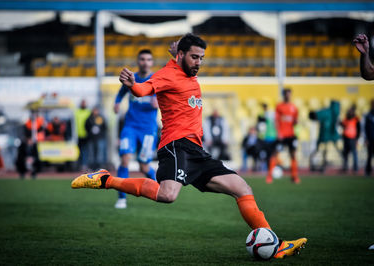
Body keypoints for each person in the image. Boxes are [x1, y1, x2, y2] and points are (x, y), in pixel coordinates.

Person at [71, 33, 307, 259]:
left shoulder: (186, 71)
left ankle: (275, 244)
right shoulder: (166, 74)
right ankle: (106, 180)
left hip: (197, 151)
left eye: (202, 58)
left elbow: (180, 64)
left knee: (242, 188)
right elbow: (145, 89)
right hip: (176, 146)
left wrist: (179, 55)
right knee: (167, 195)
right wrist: (134, 85)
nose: (199, 62)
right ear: (182, 55)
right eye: (195, 57)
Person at [113, 49, 158, 209]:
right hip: (130, 126)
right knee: (125, 159)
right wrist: (117, 102)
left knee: (143, 166)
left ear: (152, 62)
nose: (145, 62)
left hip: (148, 130)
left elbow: (166, 96)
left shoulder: (157, 79)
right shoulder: (133, 78)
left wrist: (159, 101)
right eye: (142, 59)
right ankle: (121, 198)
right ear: (138, 61)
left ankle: (158, 188)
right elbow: (121, 92)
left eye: (148, 59)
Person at [266, 89, 300, 184]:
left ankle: (294, 176)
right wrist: (278, 132)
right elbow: (276, 120)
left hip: (291, 135)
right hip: (282, 135)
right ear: (284, 95)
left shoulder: (294, 107)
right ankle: (269, 175)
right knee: (275, 153)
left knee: (293, 154)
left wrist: (296, 122)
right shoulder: (279, 106)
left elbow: (295, 120)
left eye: (289, 95)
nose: (288, 96)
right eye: (286, 95)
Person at [309, 100, 341, 172]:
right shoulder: (329, 113)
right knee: (322, 150)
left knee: (323, 150)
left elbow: (315, 115)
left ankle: (322, 165)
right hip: (325, 134)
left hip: (328, 133)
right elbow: (315, 115)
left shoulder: (330, 113)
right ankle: (320, 165)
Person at [340, 105, 360, 173]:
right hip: (346, 139)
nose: (349, 112)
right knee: (345, 154)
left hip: (353, 139)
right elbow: (342, 124)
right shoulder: (346, 119)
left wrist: (357, 138)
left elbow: (359, 129)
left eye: (350, 111)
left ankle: (355, 168)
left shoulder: (356, 119)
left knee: (354, 153)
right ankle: (345, 167)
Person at [75, 99, 91, 170]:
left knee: (85, 151)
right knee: (78, 151)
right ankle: (79, 165)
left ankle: (84, 164)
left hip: (86, 135)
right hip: (78, 135)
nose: (83, 104)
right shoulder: (77, 112)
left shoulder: (88, 112)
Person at [365, 99, 374, 176]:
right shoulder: (369, 115)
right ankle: (368, 171)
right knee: (369, 155)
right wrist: (366, 138)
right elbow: (365, 128)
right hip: (370, 139)